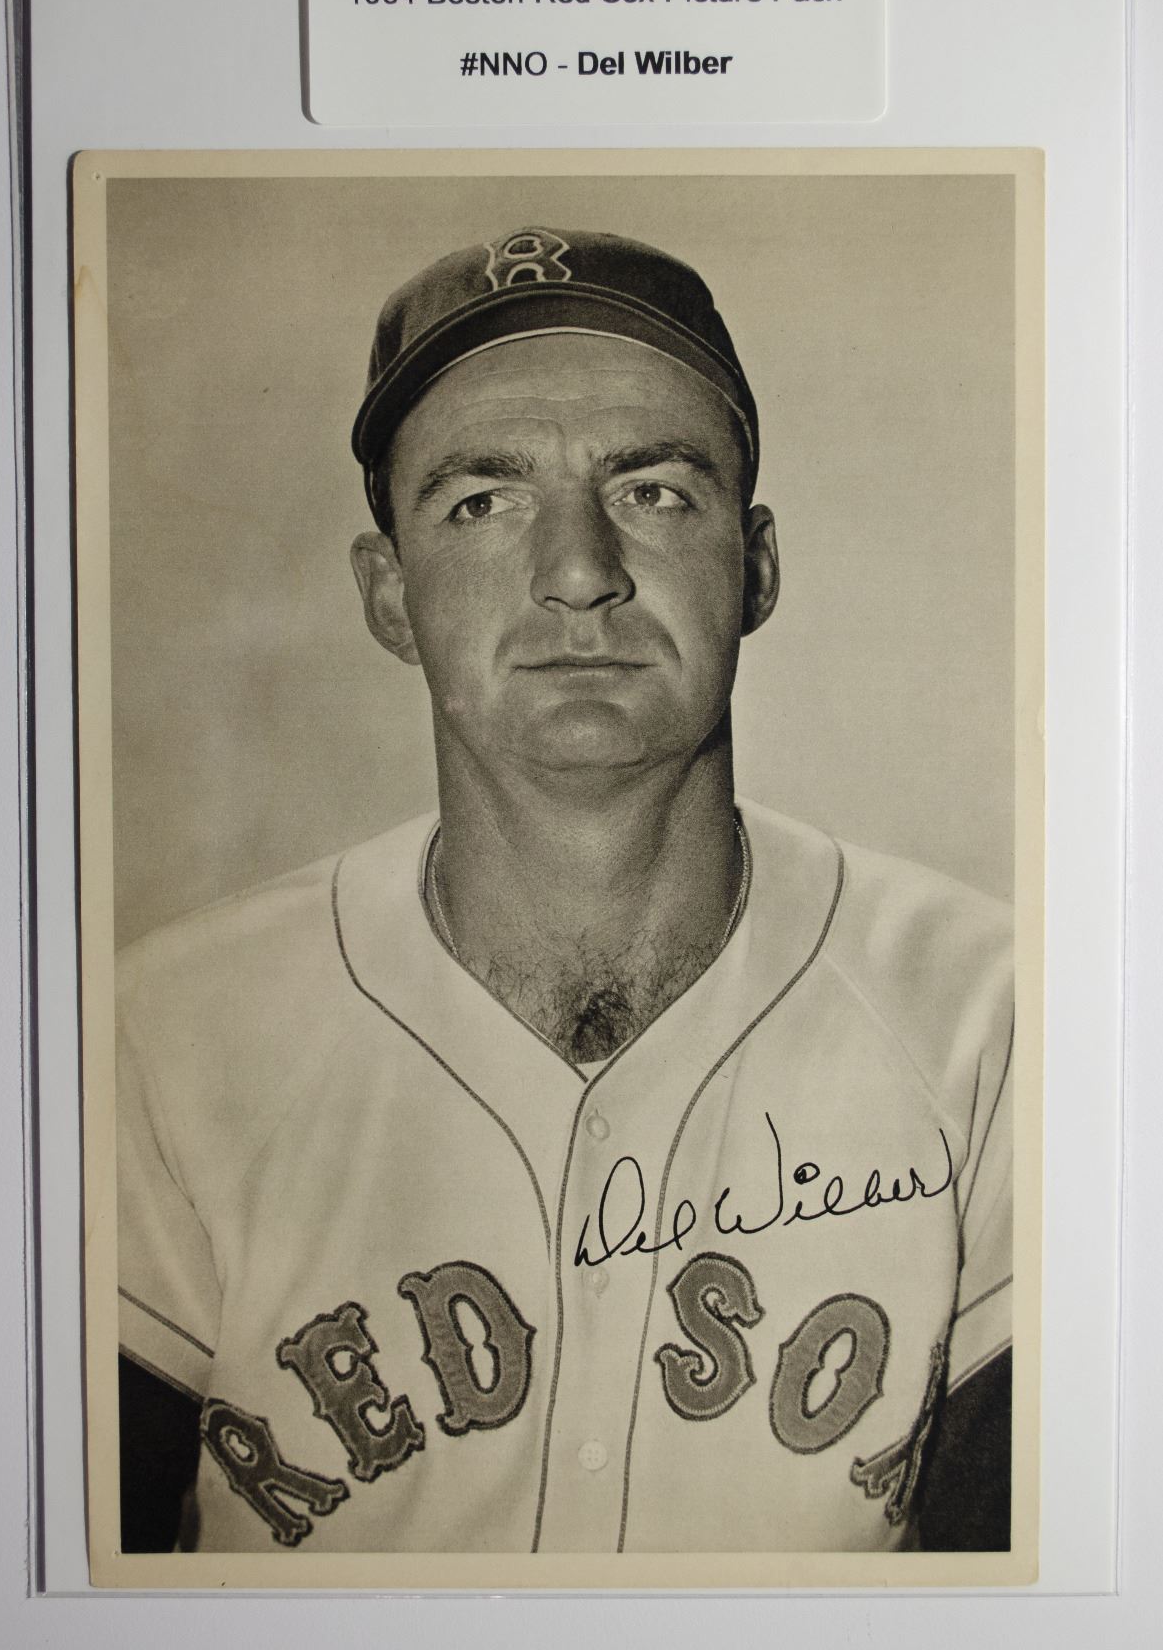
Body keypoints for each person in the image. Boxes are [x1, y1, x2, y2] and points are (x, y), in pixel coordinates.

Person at [116, 226, 1013, 1558]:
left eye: (654, 490)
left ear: (756, 566)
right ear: (389, 596)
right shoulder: (165, 1036)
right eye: (482, 501)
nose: (580, 570)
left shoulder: (994, 1017)